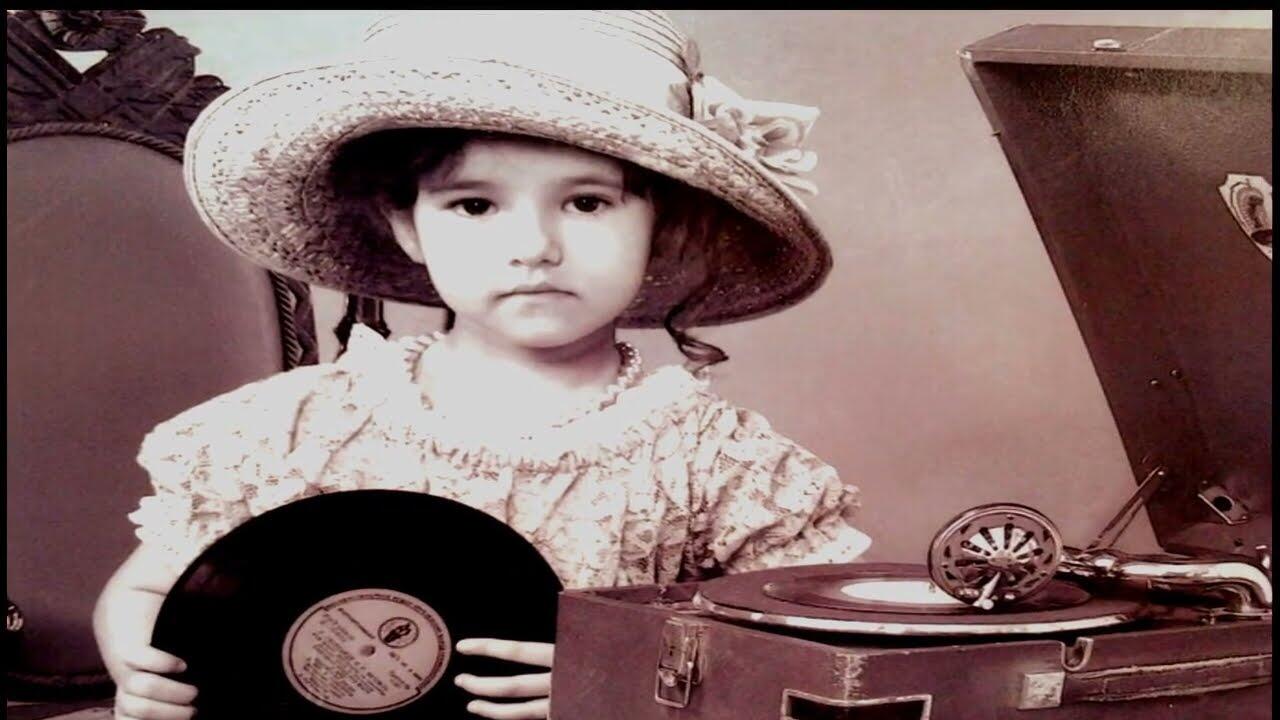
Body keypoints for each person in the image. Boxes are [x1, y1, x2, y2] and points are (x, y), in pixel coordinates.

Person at [92, 10, 870, 720]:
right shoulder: (293, 428)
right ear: (406, 225)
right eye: (474, 205)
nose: (534, 247)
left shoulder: (715, 460)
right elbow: (148, 589)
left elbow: (826, 653)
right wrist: (139, 666)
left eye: (587, 202)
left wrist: (626, 682)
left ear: (662, 223)